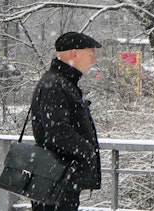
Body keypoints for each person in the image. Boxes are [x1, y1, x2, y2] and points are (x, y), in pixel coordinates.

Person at [30, 32, 102, 211]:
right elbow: (57, 132)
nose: (93, 61)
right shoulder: (55, 85)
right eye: (90, 54)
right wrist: (88, 151)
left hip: (58, 177)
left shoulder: (62, 82)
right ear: (74, 53)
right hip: (55, 179)